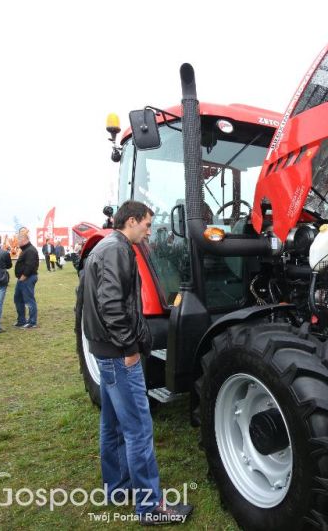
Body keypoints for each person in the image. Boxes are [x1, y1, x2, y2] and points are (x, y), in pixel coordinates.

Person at [82, 200, 193, 524]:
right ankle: (151, 507)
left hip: (106, 352)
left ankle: (116, 487)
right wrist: (130, 348)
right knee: (139, 430)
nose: (149, 229)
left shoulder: (107, 247)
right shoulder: (117, 250)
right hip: (119, 355)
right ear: (131, 221)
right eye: (146, 223)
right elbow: (112, 305)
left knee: (113, 423)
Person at [14, 232, 39, 329]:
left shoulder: (30, 250)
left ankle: (32, 322)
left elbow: (30, 265)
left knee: (29, 300)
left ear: (23, 240)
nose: (17, 243)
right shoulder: (26, 249)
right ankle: (21, 320)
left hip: (27, 278)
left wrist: (23, 276)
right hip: (22, 278)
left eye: (18, 241)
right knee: (18, 299)